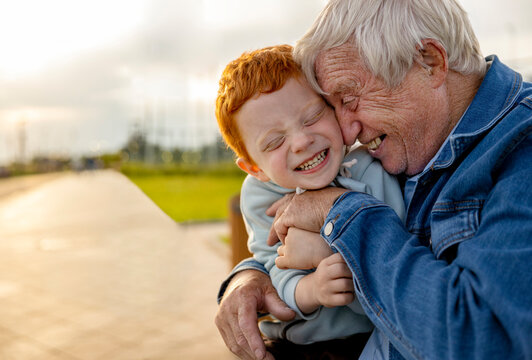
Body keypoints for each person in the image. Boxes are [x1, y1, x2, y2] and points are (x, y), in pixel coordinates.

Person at [215, 0, 532, 359]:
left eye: (350, 98)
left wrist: (338, 211)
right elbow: (282, 249)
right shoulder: (419, 146)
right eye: (333, 106)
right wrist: (250, 278)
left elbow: (487, 339)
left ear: (430, 61)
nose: (347, 133)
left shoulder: (522, 148)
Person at [214, 44, 405, 356]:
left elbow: (396, 257)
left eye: (313, 116)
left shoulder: (372, 168)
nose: (302, 142)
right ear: (254, 168)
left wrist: (331, 257)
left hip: (371, 339)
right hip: (296, 345)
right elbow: (275, 273)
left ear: (334, 108)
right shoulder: (260, 195)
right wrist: (312, 289)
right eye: (275, 141)